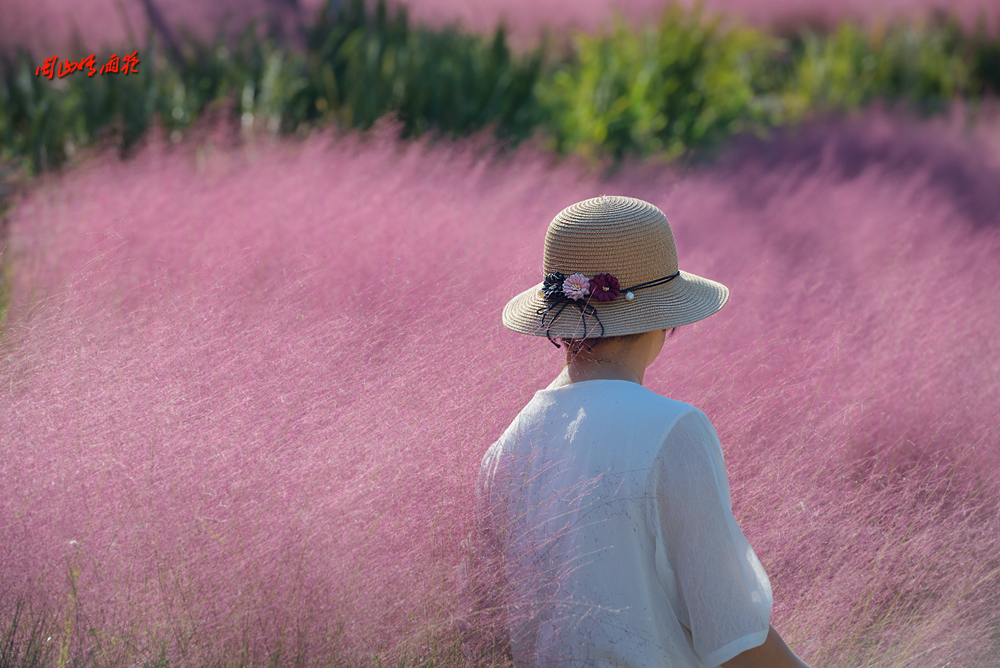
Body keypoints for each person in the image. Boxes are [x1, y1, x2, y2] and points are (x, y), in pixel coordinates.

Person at [471, 196, 811, 668]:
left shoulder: (505, 451)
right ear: (667, 315)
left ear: (560, 320)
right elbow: (733, 638)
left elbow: (489, 633)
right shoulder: (673, 431)